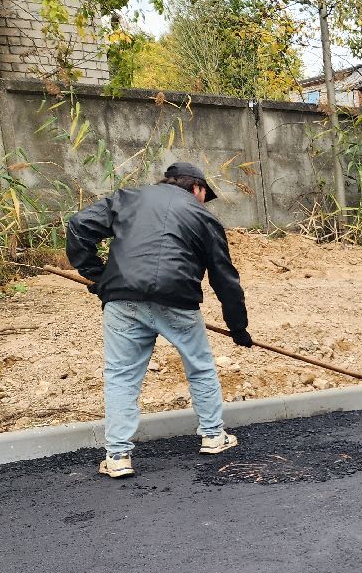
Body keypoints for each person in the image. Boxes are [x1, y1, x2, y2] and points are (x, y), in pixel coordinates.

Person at [67, 162, 253, 479]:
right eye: (204, 195)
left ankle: (117, 456)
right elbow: (225, 279)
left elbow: (78, 226)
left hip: (123, 298)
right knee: (199, 365)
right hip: (177, 299)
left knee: (121, 375)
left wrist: (99, 276)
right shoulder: (204, 217)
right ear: (197, 188)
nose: (203, 201)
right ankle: (213, 436)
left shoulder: (129, 198)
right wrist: (238, 327)